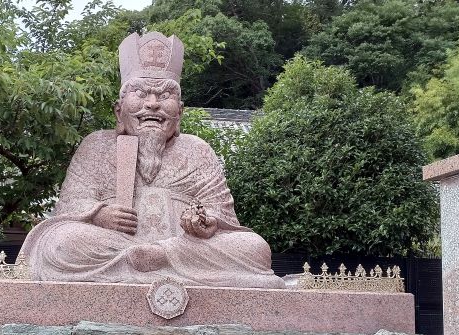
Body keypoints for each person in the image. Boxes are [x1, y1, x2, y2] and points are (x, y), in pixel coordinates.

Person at [20, 32, 284, 289]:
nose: (153, 104)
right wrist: (99, 214)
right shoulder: (97, 145)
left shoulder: (197, 150)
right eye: (140, 93)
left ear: (179, 113)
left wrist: (207, 222)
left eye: (165, 95)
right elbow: (70, 205)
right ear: (119, 111)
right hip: (113, 242)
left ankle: (157, 257)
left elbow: (221, 212)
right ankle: (148, 262)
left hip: (183, 246)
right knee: (60, 242)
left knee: (255, 248)